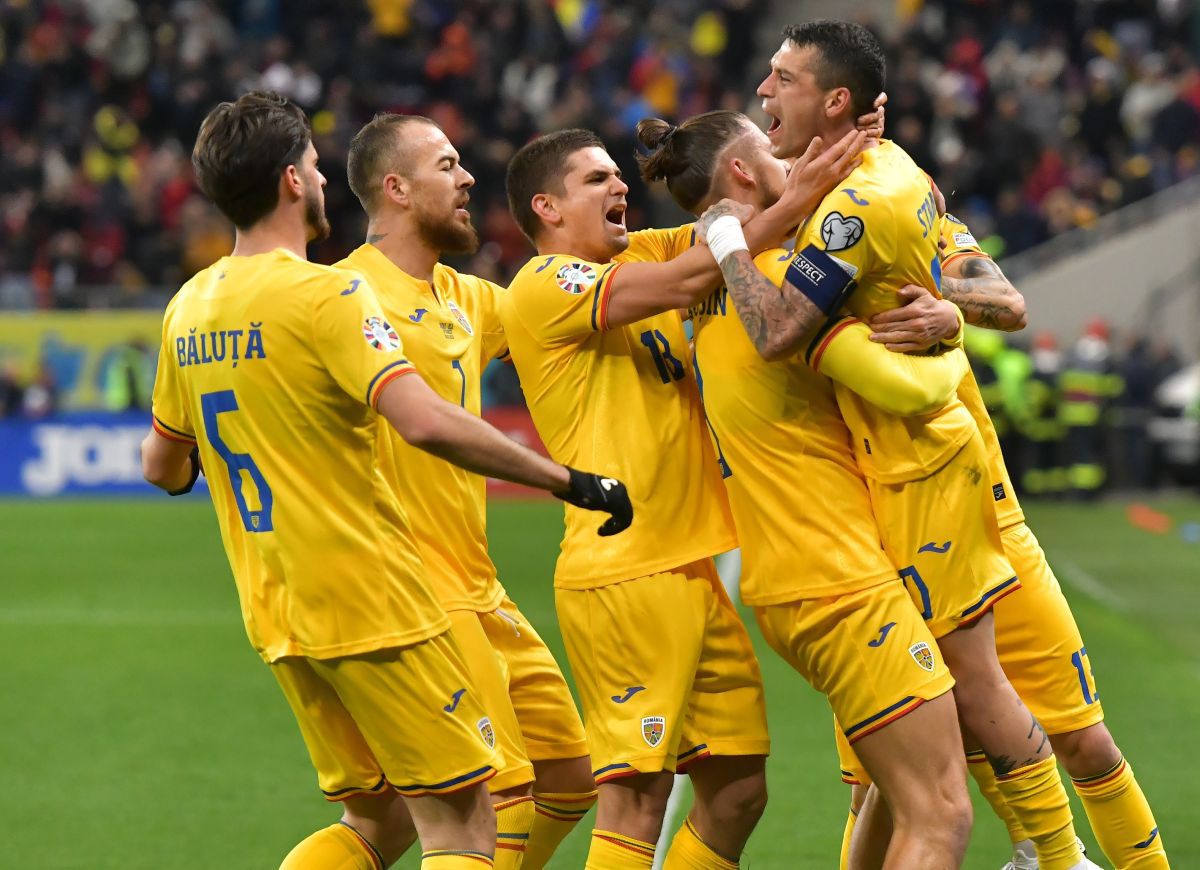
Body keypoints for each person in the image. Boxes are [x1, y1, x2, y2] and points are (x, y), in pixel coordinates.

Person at [140, 91, 632, 870]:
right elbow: (425, 420)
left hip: (278, 607)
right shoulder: (332, 294)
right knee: (466, 821)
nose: (322, 179)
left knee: (385, 819)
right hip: (380, 599)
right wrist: (567, 479)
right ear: (292, 180)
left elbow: (164, 466)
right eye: (312, 166)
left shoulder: (188, 306)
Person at [701, 20, 1094, 869]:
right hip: (891, 487)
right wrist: (950, 314)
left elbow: (776, 331)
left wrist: (729, 240)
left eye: (782, 79)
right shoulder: (892, 170)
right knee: (916, 767)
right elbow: (967, 289)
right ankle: (1055, 857)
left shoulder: (850, 209)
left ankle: (1058, 859)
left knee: (964, 706)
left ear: (836, 100)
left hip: (913, 477)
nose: (764, 91)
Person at [500, 125, 862, 869]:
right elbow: (695, 274)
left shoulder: (637, 250)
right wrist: (793, 197)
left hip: (693, 565)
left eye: (617, 175)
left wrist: (797, 158)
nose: (619, 186)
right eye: (595, 179)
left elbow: (724, 224)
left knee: (738, 791)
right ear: (547, 207)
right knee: (636, 800)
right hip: (625, 570)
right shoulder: (543, 284)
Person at [634, 108, 975, 868]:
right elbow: (911, 388)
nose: (795, 161)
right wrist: (950, 326)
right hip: (835, 576)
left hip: (794, 576)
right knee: (942, 811)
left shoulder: (706, 277)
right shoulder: (781, 284)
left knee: (888, 795)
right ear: (743, 171)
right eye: (772, 152)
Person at [335, 111, 597, 870]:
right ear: (396, 188)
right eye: (447, 165)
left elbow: (571, 309)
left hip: (479, 586)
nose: (469, 178)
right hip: (412, 590)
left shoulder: (468, 297)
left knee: (569, 780)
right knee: (495, 798)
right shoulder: (343, 296)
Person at [872, 212, 1169, 869]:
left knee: (1086, 741)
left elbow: (1007, 303)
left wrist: (946, 307)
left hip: (989, 522)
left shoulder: (920, 212)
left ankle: (1049, 855)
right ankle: (1044, 854)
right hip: (872, 549)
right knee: (887, 789)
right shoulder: (783, 242)